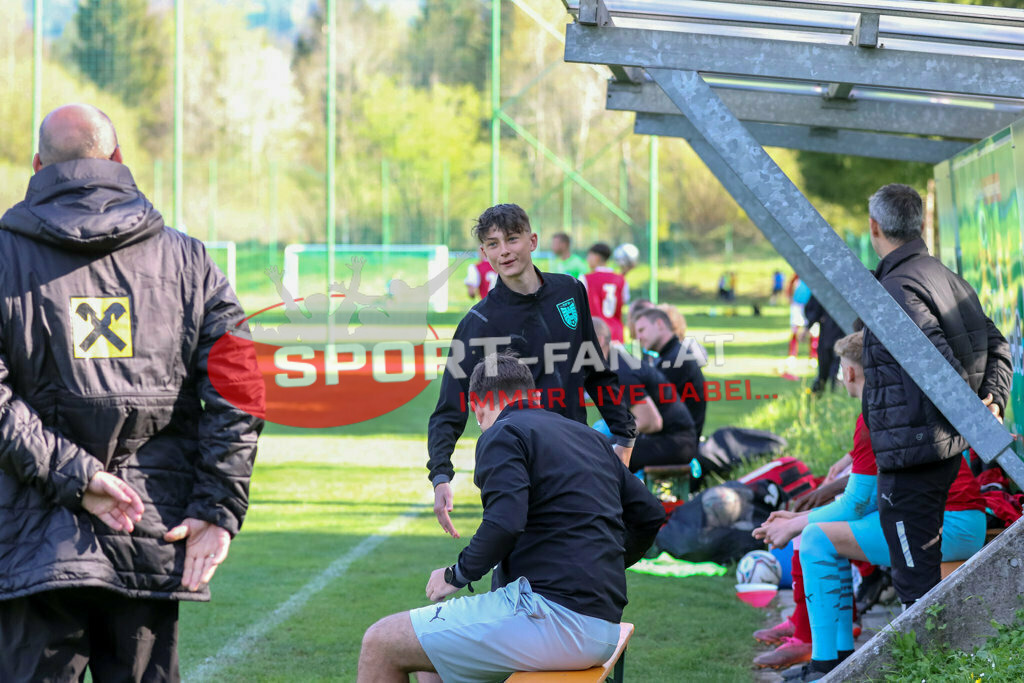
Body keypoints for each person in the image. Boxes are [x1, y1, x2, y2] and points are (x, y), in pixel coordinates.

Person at [0, 104, 264, 680]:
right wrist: (217, 508)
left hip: (31, 536)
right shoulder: (190, 261)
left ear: (38, 164)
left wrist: (76, 477)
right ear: (118, 160)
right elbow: (238, 390)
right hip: (149, 526)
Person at [359, 354, 664, 682]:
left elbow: (506, 521)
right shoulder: (588, 436)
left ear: (477, 404)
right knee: (427, 656)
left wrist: (456, 574)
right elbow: (650, 514)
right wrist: (602, 562)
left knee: (381, 641)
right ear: (533, 396)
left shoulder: (503, 432)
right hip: (602, 625)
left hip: (550, 619)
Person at [753, 331, 988, 681]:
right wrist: (799, 517)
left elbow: (854, 506)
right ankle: (837, 663)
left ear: (850, 373)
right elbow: (861, 500)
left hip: (949, 526)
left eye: (840, 369)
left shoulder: (873, 415)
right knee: (819, 535)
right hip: (957, 522)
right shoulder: (896, 402)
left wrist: (794, 525)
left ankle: (826, 667)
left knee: (817, 539)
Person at [427, 204, 637, 538]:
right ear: (484, 253)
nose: (505, 251)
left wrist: (624, 435)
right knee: (516, 561)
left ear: (532, 240)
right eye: (493, 244)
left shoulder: (570, 291)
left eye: (512, 239)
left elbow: (596, 370)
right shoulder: (479, 321)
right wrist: (441, 474)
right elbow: (450, 404)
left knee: (580, 556)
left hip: (572, 452)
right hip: (514, 461)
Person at [861, 183, 1011, 610]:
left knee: (915, 587)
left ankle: (926, 673)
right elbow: (1001, 347)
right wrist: (992, 403)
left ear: (875, 226)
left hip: (915, 454)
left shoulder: (899, 289)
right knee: (920, 580)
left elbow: (940, 370)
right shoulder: (948, 278)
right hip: (936, 448)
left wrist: (977, 406)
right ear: (921, 224)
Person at [592, 318, 699, 474]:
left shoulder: (621, 372)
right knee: (598, 448)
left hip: (676, 443)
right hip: (668, 439)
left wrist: (610, 440)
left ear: (599, 341)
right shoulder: (615, 365)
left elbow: (651, 422)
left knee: (599, 455)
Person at [633, 307, 707, 439]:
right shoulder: (672, 355)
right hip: (672, 438)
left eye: (641, 330)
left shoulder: (676, 360)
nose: (638, 338)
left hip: (676, 443)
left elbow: (650, 411)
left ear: (660, 324)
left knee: (607, 448)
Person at [582, 242, 630, 343]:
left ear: (597, 257)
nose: (587, 259)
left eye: (589, 256)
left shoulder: (585, 278)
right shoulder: (621, 279)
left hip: (596, 333)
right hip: (616, 334)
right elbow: (624, 300)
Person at [804, 296, 842, 394]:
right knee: (825, 369)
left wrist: (808, 326)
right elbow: (813, 309)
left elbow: (813, 310)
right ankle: (818, 393)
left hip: (833, 333)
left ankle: (833, 393)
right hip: (830, 333)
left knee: (833, 367)